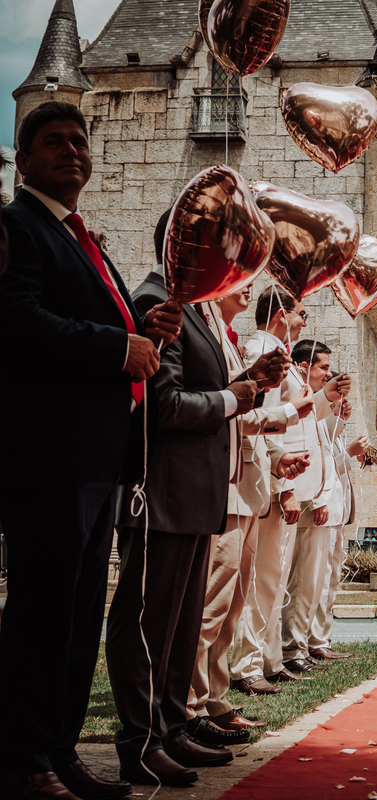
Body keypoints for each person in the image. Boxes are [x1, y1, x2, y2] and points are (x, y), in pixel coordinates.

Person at [0, 101, 181, 800]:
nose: (72, 151)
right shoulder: (17, 227)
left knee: (79, 615)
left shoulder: (83, 238)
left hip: (97, 458)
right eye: (54, 141)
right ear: (23, 159)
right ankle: (23, 758)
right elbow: (16, 320)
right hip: (49, 457)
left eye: (80, 141)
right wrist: (117, 345)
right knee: (41, 613)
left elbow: (97, 320)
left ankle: (61, 750)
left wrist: (144, 325)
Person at [107, 216, 286, 786]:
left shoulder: (197, 308)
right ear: (182, 246)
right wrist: (234, 397)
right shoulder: (155, 301)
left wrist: (252, 380)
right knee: (148, 622)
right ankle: (140, 740)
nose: (226, 262)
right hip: (161, 491)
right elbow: (168, 404)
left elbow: (210, 389)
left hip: (196, 492)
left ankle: (171, 727)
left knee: (181, 626)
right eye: (216, 248)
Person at [185, 282, 306, 747]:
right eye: (236, 278)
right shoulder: (236, 341)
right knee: (212, 603)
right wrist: (287, 411)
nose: (245, 284)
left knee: (231, 606)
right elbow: (232, 408)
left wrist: (277, 458)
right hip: (228, 484)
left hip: (248, 483)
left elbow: (242, 413)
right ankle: (191, 705)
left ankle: (214, 698)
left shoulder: (230, 337)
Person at [228, 289, 328, 695]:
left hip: (282, 481)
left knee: (274, 578)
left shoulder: (277, 352)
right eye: (301, 313)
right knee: (262, 579)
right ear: (281, 315)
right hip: (270, 483)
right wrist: (284, 486)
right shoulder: (263, 352)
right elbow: (263, 423)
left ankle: (268, 658)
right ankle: (247, 664)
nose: (304, 320)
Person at [281, 339, 346, 676]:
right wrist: (318, 499)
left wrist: (337, 415)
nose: (328, 374)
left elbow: (327, 450)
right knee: (302, 583)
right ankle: (292, 648)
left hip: (319, 502)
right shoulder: (298, 395)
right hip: (306, 501)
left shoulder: (314, 401)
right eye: (324, 367)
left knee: (314, 584)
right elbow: (307, 449)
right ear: (304, 366)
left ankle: (302, 646)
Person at [309, 390, 366, 661]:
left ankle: (322, 638)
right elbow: (325, 468)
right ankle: (313, 641)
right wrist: (351, 454)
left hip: (337, 517)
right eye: (338, 400)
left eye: (346, 400)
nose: (345, 405)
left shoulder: (335, 433)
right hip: (324, 516)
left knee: (330, 582)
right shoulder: (318, 427)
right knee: (318, 583)